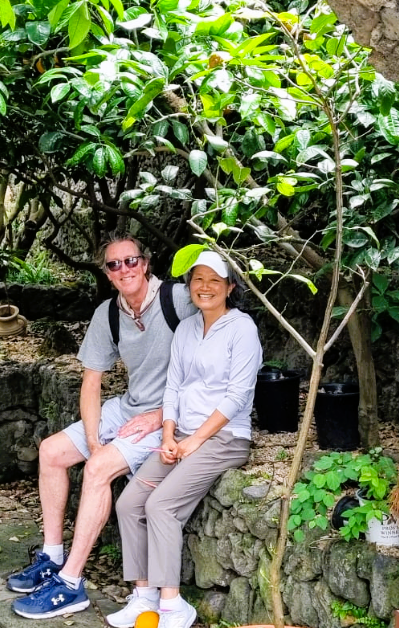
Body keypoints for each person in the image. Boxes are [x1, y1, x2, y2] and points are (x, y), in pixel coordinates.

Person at [9, 233, 196, 620]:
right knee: (52, 451)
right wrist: (94, 438)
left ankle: (71, 583)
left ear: (145, 264)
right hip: (129, 408)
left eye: (130, 261)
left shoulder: (178, 300)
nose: (123, 269)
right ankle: (52, 555)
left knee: (97, 470)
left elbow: (212, 360)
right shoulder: (109, 313)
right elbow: (91, 381)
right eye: (114, 264)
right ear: (107, 273)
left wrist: (163, 415)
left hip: (174, 416)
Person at [107, 250, 261, 628]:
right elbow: (173, 386)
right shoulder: (189, 328)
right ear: (189, 285)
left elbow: (237, 396)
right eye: (197, 279)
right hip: (182, 435)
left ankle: (173, 605)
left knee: (160, 506)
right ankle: (143, 597)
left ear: (230, 287)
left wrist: (194, 442)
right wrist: (170, 434)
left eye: (214, 280)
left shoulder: (242, 329)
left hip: (224, 438)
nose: (204, 287)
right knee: (129, 504)